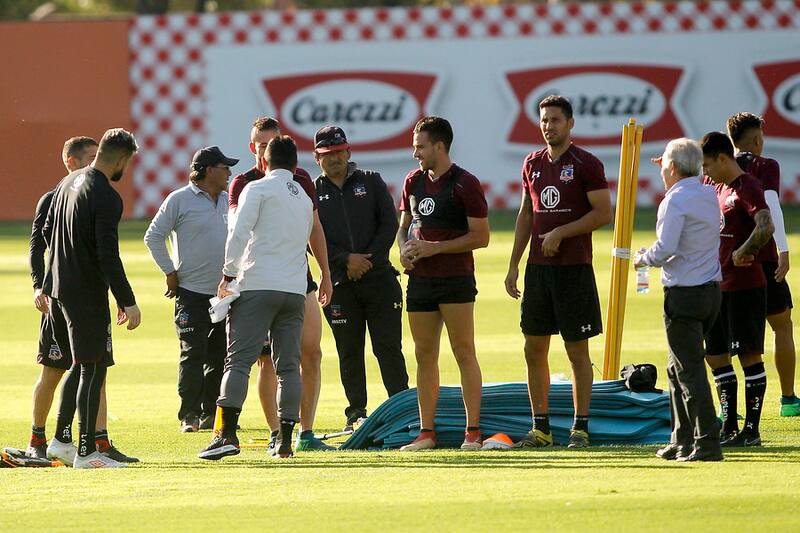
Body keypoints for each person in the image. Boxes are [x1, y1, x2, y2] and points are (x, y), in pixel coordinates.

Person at [198, 135, 331, 461]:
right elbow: (310, 236)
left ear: (265, 162)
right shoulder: (302, 195)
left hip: (257, 284)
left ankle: (226, 435)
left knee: (239, 361)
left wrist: (228, 276)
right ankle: (286, 440)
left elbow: (238, 233)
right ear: (296, 165)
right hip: (294, 289)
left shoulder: (255, 189)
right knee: (288, 367)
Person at [504, 95, 612, 449]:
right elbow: (526, 215)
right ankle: (541, 428)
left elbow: (603, 214)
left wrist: (562, 232)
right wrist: (514, 264)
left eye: (555, 120)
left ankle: (580, 428)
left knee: (576, 351)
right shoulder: (532, 163)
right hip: (538, 270)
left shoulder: (587, 163)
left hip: (574, 270)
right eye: (544, 120)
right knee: (533, 349)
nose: (548, 126)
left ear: (570, 124)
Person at [27, 137, 135, 463]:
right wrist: (126, 298)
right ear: (121, 159)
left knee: (81, 365)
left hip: (59, 291)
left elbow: (50, 237)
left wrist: (47, 283)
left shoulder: (65, 183)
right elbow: (107, 254)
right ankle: (86, 453)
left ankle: (61, 440)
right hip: (85, 293)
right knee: (92, 367)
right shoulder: (105, 195)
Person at [396, 116, 489, 452]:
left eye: (420, 146)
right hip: (420, 281)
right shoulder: (412, 181)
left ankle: (473, 431)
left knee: (464, 351)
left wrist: (436, 248)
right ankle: (426, 433)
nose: (415, 153)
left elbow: (481, 237)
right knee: (423, 354)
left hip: (455, 279)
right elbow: (404, 226)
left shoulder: (465, 183)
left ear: (439, 146)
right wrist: (403, 251)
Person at [313, 125, 409, 431]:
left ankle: (402, 410)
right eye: (327, 154)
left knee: (388, 348)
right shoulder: (312, 192)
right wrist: (345, 261)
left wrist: (366, 261)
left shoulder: (371, 181)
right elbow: (311, 238)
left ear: (348, 152)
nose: (334, 159)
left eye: (339, 152)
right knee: (349, 352)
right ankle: (356, 414)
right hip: (339, 283)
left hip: (379, 278)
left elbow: (389, 224)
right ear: (317, 158)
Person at [634, 139, 723, 462]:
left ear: (671, 167)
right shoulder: (706, 192)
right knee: (676, 369)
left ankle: (707, 441)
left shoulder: (675, 200)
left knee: (689, 372)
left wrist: (644, 258)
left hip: (684, 294)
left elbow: (666, 247)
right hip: (711, 291)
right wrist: (674, 164)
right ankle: (681, 439)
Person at [144, 146, 236, 433]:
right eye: (225, 167)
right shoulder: (179, 200)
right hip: (191, 292)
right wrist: (169, 272)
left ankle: (211, 413)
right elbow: (153, 236)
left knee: (220, 355)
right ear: (209, 170)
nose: (229, 173)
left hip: (225, 293)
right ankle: (189, 415)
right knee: (193, 353)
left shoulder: (229, 200)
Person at [701, 131, 775, 447]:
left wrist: (744, 251)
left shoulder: (747, 186)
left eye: (708, 165)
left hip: (745, 287)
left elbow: (766, 224)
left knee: (748, 356)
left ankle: (752, 431)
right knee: (716, 356)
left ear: (722, 158)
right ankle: (730, 426)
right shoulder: (715, 186)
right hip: (718, 285)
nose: (705, 171)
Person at [726, 112, 799, 416]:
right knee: (781, 326)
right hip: (764, 258)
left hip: (729, 262)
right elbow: (772, 207)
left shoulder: (721, 166)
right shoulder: (766, 165)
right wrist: (783, 248)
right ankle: (788, 400)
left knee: (727, 335)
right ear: (757, 139)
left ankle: (727, 407)